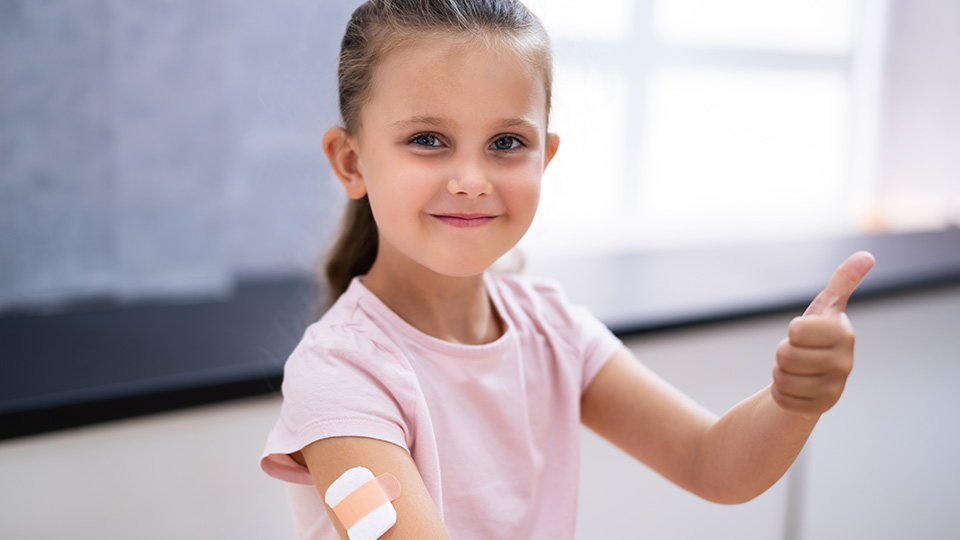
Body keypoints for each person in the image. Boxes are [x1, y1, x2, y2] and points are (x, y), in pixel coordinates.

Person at [260, 1, 876, 538]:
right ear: (351, 162)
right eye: (427, 139)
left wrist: (793, 401)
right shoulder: (342, 375)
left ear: (545, 156)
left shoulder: (553, 330)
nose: (472, 181)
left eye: (506, 143)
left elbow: (713, 463)